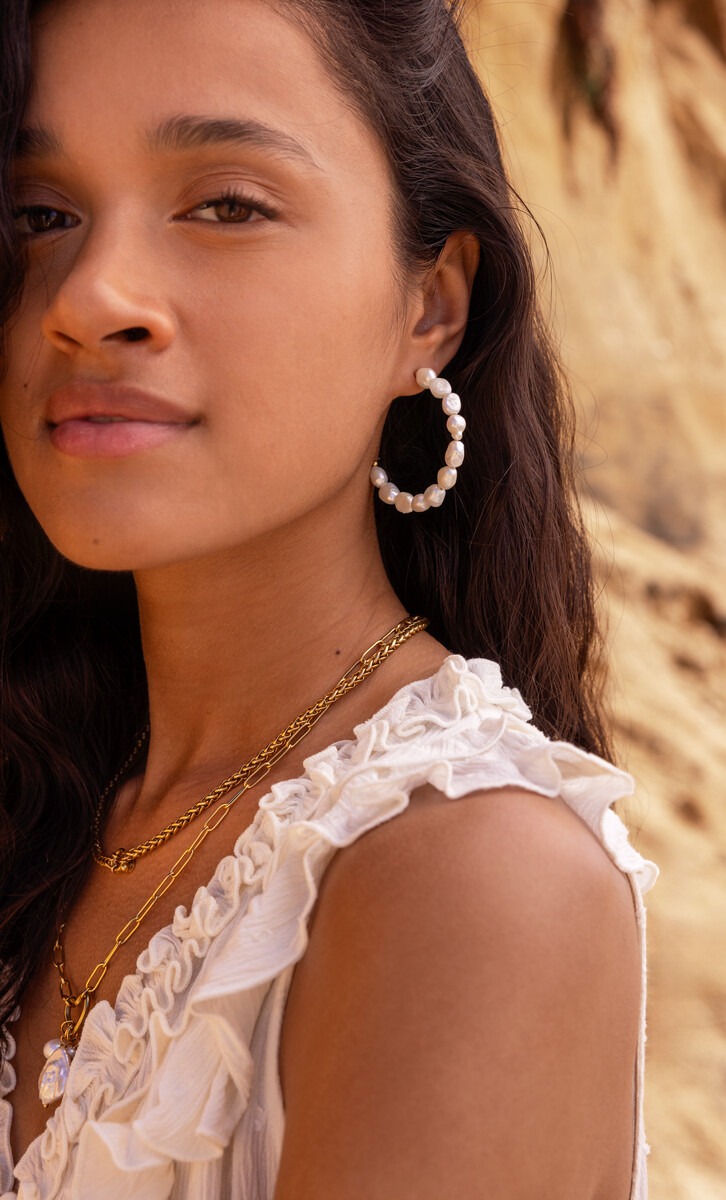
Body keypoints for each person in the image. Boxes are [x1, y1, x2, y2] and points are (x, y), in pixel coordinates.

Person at [0, 0, 658, 1196]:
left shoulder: (472, 878)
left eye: (226, 206)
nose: (88, 298)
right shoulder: (51, 796)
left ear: (430, 308)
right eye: (42, 215)